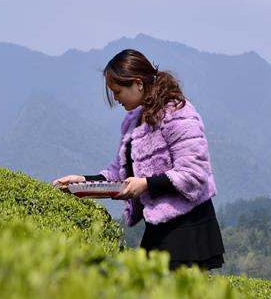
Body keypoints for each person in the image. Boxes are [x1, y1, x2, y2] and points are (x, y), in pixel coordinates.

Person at [53, 49, 225, 271]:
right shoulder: (134, 120)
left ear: (138, 83)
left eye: (118, 91)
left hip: (187, 230)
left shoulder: (178, 113)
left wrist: (145, 184)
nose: (115, 98)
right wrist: (82, 182)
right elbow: (120, 172)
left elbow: (194, 173)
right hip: (159, 227)